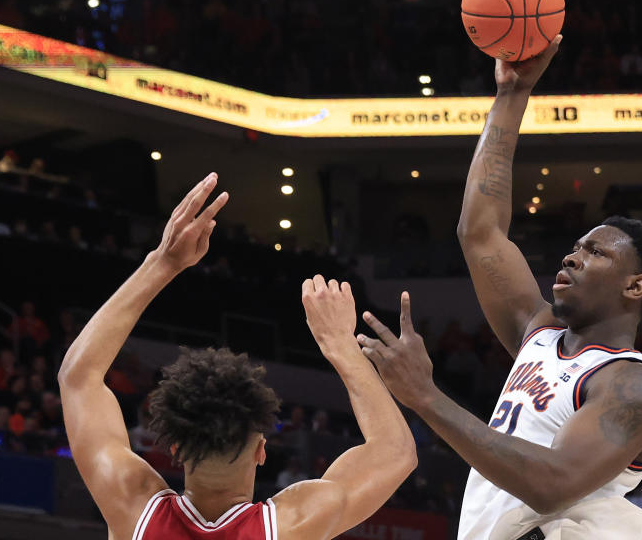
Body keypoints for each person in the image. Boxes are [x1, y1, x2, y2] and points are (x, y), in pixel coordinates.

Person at [357, 37, 642, 540]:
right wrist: (512, 94)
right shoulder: (541, 332)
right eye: (576, 246)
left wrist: (425, 396)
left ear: (635, 285)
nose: (572, 256)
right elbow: (479, 232)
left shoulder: (631, 386)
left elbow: (554, 485)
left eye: (596, 253)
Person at [58, 173, 415, 540]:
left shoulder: (133, 509)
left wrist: (162, 263)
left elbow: (78, 377)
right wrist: (339, 345)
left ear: (176, 450)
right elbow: (395, 452)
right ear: (262, 451)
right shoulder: (295, 524)